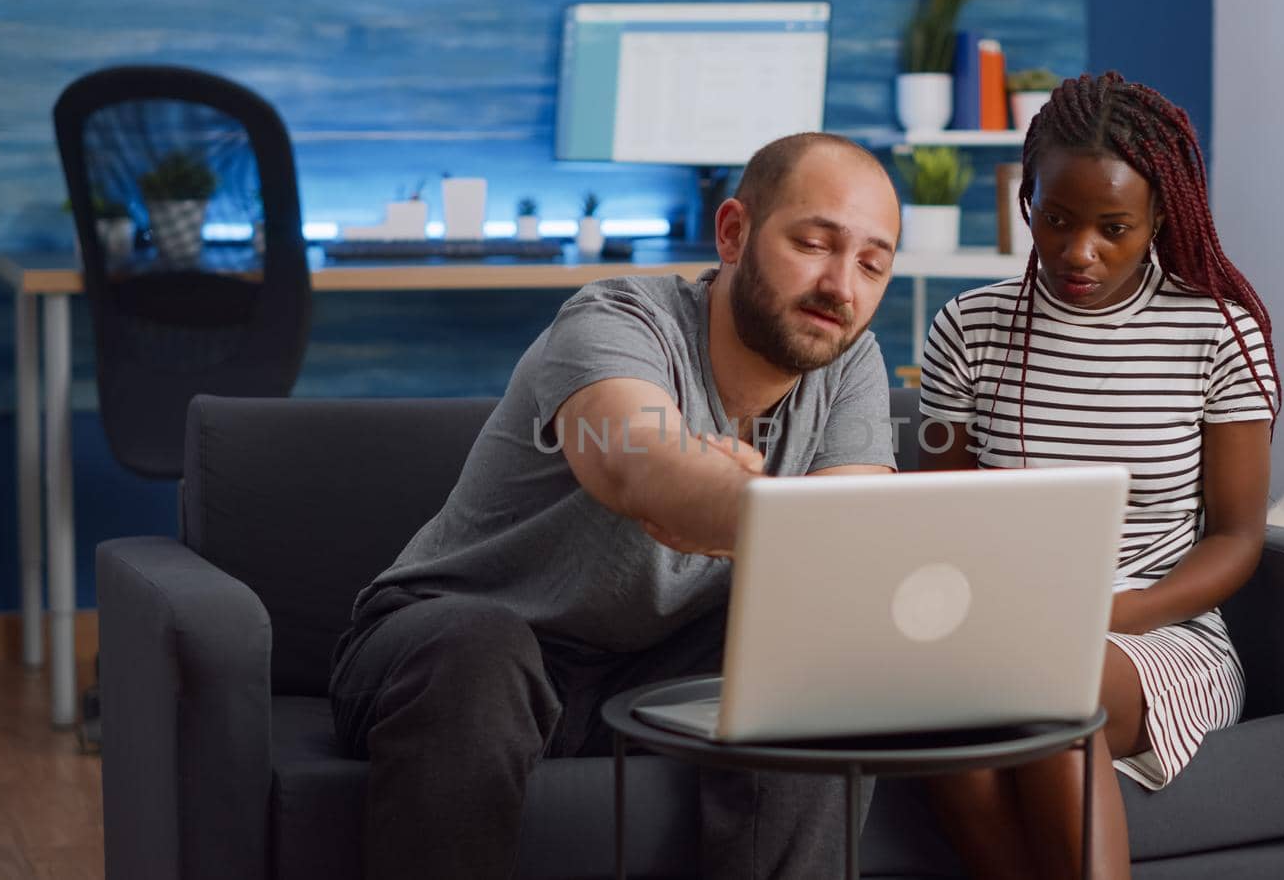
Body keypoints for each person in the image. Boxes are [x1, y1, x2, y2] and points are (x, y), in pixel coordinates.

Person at [326, 131, 901, 879]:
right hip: (447, 652)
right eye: (814, 243)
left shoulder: (850, 357)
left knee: (813, 642)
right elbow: (639, 463)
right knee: (482, 648)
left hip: (647, 674)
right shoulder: (617, 317)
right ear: (733, 233)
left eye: (871, 263)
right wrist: (713, 488)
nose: (841, 286)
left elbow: (852, 536)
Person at [917, 71, 1281, 879]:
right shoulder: (967, 328)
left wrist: (1127, 607)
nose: (1079, 251)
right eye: (1056, 219)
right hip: (998, 633)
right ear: (1026, 202)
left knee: (1051, 690)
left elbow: (1237, 537)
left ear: (1160, 215)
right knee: (952, 721)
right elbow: (933, 515)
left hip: (1160, 634)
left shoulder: (1217, 333)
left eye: (1114, 227)